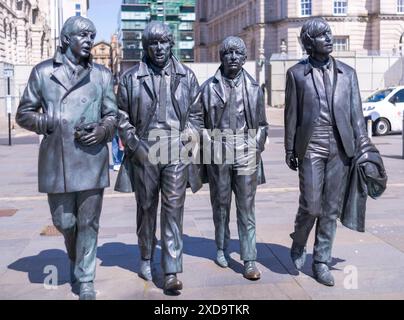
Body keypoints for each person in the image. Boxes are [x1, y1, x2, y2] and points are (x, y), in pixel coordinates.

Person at [15, 16, 118, 299]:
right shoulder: (43, 72)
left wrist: (102, 130)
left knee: (89, 222)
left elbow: (113, 114)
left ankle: (85, 279)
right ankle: (75, 256)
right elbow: (24, 113)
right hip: (57, 160)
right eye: (83, 35)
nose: (88, 40)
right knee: (64, 222)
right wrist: (48, 121)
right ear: (66, 39)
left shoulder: (101, 75)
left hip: (91, 157)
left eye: (92, 35)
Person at [114, 21, 203, 294]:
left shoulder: (187, 76)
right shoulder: (131, 78)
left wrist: (191, 135)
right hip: (145, 150)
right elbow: (121, 117)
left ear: (171, 43)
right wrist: (134, 144)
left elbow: (197, 114)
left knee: (173, 210)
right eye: (153, 43)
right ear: (146, 47)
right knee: (146, 208)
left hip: (176, 149)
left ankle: (172, 269)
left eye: (164, 42)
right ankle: (145, 255)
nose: (159, 48)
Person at [284, 17, 369, 286]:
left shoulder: (348, 73)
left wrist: (363, 147)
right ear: (309, 43)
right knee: (311, 203)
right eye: (322, 35)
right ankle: (298, 240)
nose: (329, 38)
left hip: (341, 147)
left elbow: (357, 116)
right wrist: (289, 148)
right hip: (311, 145)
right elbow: (291, 115)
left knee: (330, 208)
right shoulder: (296, 74)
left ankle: (321, 260)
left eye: (329, 33)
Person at [200, 36, 269, 280]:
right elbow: (198, 121)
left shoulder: (253, 88)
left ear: (244, 57)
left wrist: (255, 146)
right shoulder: (208, 87)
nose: (232, 57)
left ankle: (249, 258)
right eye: (227, 53)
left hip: (245, 150)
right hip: (218, 150)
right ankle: (221, 247)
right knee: (220, 205)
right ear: (221, 56)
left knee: (246, 207)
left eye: (237, 53)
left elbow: (262, 124)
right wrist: (208, 142)